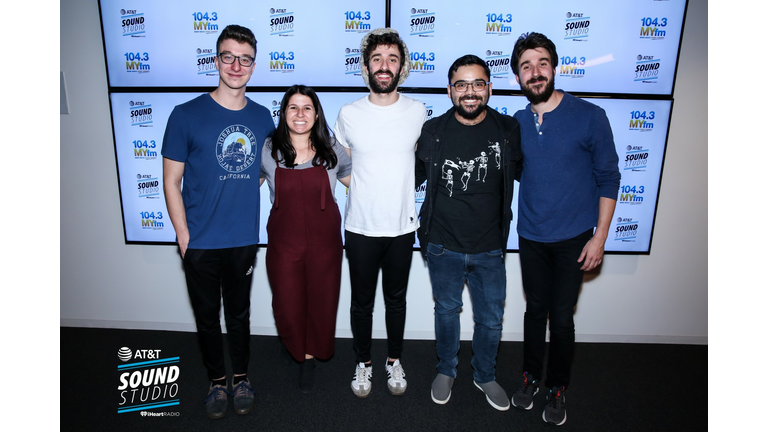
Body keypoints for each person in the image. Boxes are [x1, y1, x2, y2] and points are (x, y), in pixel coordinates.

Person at [162, 24, 274, 419]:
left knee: (239, 314)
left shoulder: (263, 117)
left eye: (244, 59)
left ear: (253, 66)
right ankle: (215, 382)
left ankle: (241, 378)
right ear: (216, 61)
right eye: (228, 56)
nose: (236, 65)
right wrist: (183, 235)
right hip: (200, 242)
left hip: (242, 238)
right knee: (207, 317)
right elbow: (171, 181)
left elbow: (265, 171)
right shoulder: (185, 115)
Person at [509, 32, 621, 426]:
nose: (535, 72)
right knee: (534, 311)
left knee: (562, 317)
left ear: (554, 67)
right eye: (526, 66)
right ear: (518, 77)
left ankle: (556, 388)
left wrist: (600, 237)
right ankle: (529, 379)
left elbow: (609, 178)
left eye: (541, 63)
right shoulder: (517, 123)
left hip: (574, 238)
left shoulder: (590, 116)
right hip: (531, 235)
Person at [415, 55, 522, 411]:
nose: (470, 92)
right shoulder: (433, 131)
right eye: (461, 84)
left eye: (478, 83)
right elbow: (407, 177)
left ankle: (484, 375)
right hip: (443, 244)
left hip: (490, 246)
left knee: (490, 320)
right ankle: (446, 369)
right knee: (446, 311)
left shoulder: (508, 130)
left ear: (489, 87)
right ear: (450, 90)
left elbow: (527, 174)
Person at [333, 28, 426, 398]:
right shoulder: (348, 113)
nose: (384, 66)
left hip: (403, 227)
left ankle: (394, 361)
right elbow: (339, 164)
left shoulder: (417, 111)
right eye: (377, 59)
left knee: (397, 301)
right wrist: (362, 191)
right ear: (366, 66)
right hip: (359, 227)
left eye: (391, 58)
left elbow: (420, 160)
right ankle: (363, 363)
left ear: (401, 66)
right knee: (361, 303)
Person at [260, 85, 351, 393]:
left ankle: (309, 357)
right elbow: (248, 184)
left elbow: (355, 181)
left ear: (316, 113)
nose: (300, 114)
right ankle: (294, 345)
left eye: (307, 107)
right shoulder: (269, 148)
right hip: (284, 239)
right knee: (287, 301)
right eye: (293, 107)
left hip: (325, 239)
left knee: (322, 299)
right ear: (283, 113)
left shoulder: (332, 148)